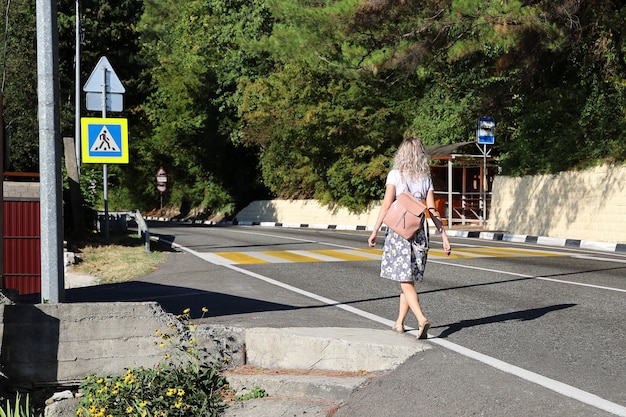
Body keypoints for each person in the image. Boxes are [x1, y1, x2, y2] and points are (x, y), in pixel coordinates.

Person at [368, 136, 451, 339]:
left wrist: (375, 230)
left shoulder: (395, 175)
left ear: (401, 154)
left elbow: (387, 205)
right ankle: (399, 323)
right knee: (407, 279)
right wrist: (444, 236)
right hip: (420, 232)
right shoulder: (426, 178)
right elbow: (432, 209)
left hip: (399, 232)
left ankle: (421, 319)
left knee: (404, 279)